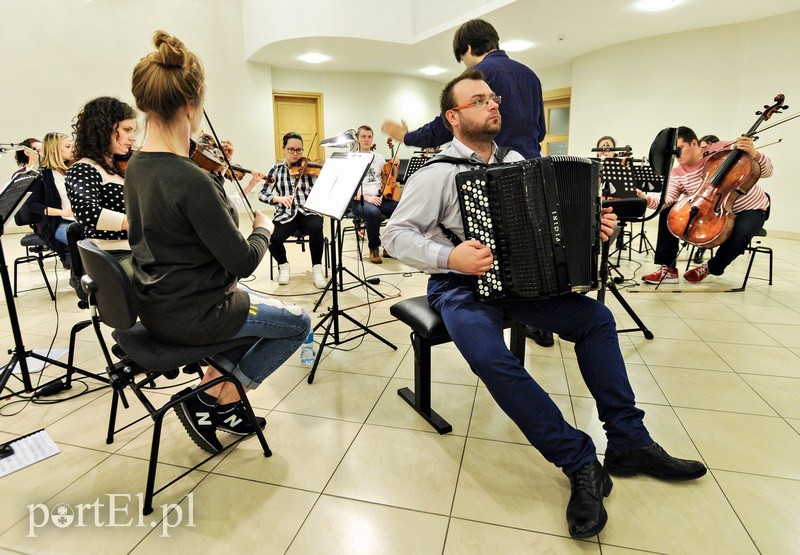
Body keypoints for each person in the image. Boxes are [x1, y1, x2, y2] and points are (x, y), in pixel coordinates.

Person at [384, 69, 706, 540]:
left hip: (519, 282)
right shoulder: (436, 173)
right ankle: (578, 462)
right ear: (453, 116)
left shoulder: (520, 161)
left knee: (596, 319)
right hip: (459, 286)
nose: (493, 104)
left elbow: (555, 226)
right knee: (490, 357)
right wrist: (448, 254)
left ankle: (628, 441)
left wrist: (591, 228)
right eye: (478, 100)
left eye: (493, 98)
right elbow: (394, 235)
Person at [127, 30, 311, 453]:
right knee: (298, 323)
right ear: (191, 106)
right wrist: (263, 227)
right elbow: (244, 260)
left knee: (262, 305)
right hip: (198, 312)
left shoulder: (139, 164)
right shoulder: (189, 179)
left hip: (158, 302)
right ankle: (217, 399)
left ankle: (213, 386)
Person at [382, 18, 545, 160]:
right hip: (533, 168)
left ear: (467, 48)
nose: (464, 64)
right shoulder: (531, 75)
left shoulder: (478, 75)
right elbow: (541, 132)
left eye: (461, 58)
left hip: (499, 172)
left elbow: (447, 125)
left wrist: (407, 137)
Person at [639, 127, 772, 284]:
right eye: (672, 151)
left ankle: (711, 267)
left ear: (694, 143)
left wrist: (754, 153)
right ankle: (668, 269)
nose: (676, 155)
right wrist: (646, 199)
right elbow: (666, 199)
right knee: (669, 210)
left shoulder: (721, 149)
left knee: (741, 233)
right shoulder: (677, 172)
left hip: (750, 208)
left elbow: (766, 171)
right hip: (713, 209)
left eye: (679, 148)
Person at [65, 96, 137, 277]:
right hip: (111, 255)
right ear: (104, 129)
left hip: (136, 250)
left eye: (133, 130)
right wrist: (138, 222)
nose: (132, 137)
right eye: (127, 129)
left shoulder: (120, 168)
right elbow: (87, 213)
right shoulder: (83, 168)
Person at [258, 132, 326, 288]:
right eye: (291, 149)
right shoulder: (275, 170)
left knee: (316, 227)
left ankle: (317, 269)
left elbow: (321, 191)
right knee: (271, 238)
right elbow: (263, 193)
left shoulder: (309, 169)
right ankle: (284, 266)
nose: (295, 154)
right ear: (283, 148)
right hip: (286, 214)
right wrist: (278, 199)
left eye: (299, 150)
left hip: (308, 212)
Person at [350, 125, 399, 264]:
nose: (366, 139)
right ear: (358, 139)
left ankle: (389, 246)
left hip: (378, 197)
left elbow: (388, 178)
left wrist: (395, 165)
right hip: (360, 200)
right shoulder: (352, 158)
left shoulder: (378, 157)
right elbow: (349, 189)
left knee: (401, 208)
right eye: (363, 136)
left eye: (369, 136)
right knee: (373, 213)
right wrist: (367, 198)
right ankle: (374, 248)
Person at [25, 132, 76, 267]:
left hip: (78, 220)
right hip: (59, 224)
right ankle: (79, 276)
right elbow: (33, 205)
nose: (72, 149)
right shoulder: (42, 175)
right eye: (67, 146)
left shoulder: (73, 169)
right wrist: (62, 213)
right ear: (53, 149)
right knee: (83, 240)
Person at [691, 134, 721, 264]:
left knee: (707, 218)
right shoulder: (700, 165)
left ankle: (701, 249)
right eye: (701, 148)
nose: (702, 152)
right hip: (702, 196)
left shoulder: (719, 163)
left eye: (705, 148)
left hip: (718, 202)